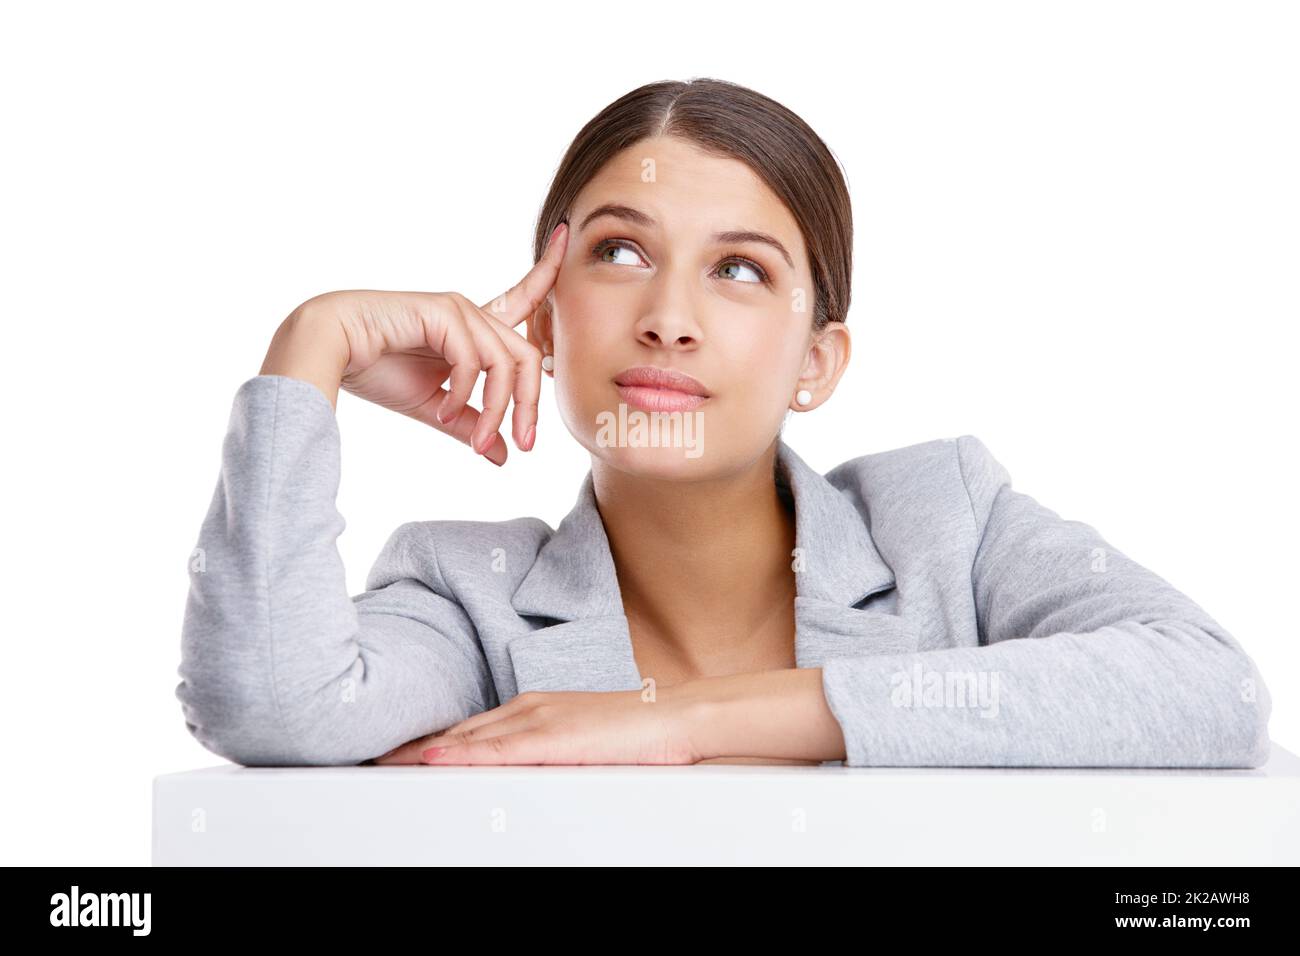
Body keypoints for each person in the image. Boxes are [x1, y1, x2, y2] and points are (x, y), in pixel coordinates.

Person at [176, 77, 1272, 769]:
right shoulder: (468, 595)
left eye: (738, 270)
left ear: (816, 361)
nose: (666, 320)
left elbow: (1207, 686)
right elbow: (274, 708)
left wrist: (682, 719)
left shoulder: (947, 521)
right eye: (616, 252)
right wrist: (308, 350)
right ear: (545, 316)